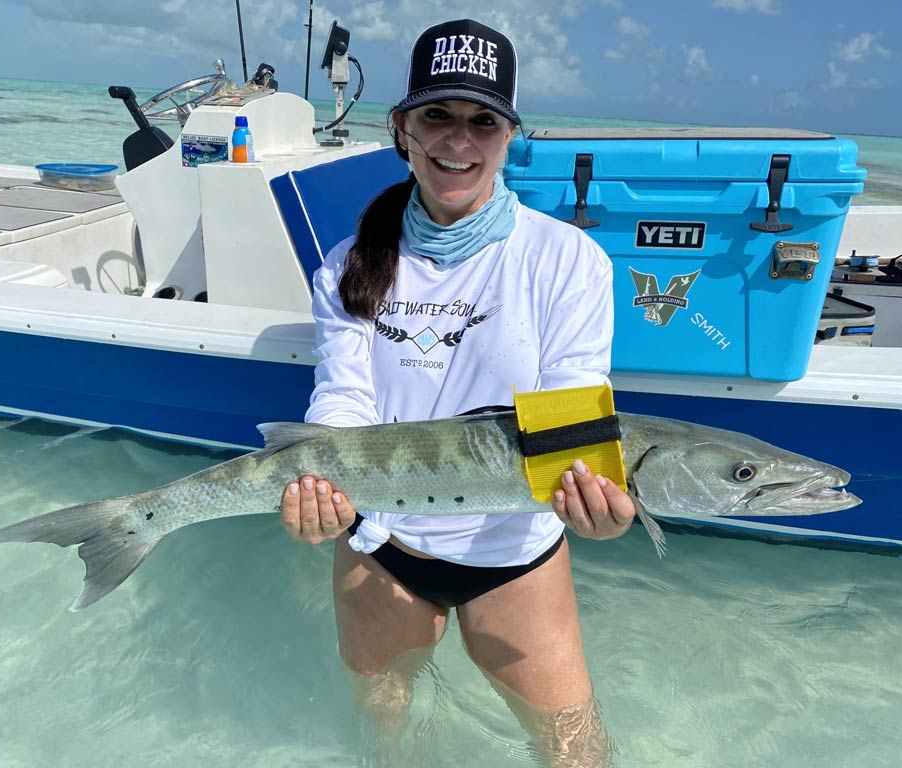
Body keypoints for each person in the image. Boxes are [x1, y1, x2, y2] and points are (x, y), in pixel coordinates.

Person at [280, 18, 636, 765]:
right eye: (437, 116)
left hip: (516, 550)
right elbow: (344, 403)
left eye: (483, 121)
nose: (458, 141)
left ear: (511, 135)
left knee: (577, 749)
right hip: (384, 543)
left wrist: (595, 502)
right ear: (402, 127)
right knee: (380, 736)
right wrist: (319, 490)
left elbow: (573, 415)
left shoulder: (569, 259)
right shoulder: (348, 262)